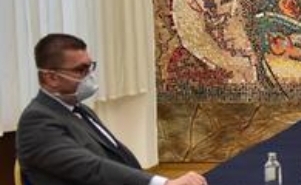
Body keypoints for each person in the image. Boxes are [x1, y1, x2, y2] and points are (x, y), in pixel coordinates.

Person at [17, 34, 207, 185]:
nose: (90, 76)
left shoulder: (80, 109)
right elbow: (91, 168)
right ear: (51, 78)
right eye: (81, 70)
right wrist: (162, 183)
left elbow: (116, 157)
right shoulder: (37, 121)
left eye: (91, 67)